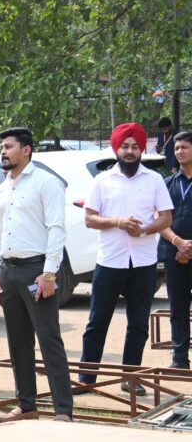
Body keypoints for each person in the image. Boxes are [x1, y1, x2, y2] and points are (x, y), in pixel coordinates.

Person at [78, 123, 172, 396]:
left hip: (143, 261)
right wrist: (118, 222)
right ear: (116, 149)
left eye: (135, 147)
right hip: (110, 260)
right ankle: (86, 377)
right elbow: (89, 218)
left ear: (141, 149)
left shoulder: (154, 180)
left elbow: (166, 217)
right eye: (125, 146)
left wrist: (144, 229)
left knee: (139, 323)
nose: (130, 151)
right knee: (97, 321)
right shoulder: (102, 180)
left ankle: (131, 377)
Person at [0, 127, 73, 423]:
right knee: (18, 341)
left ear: (26, 150)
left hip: (37, 271)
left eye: (8, 147)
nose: (3, 152)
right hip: (8, 272)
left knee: (49, 339)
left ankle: (63, 410)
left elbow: (57, 229)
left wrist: (49, 274)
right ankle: (26, 406)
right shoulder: (4, 187)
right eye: (2, 147)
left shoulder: (46, 182)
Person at [160, 130, 192, 370]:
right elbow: (160, 220)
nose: (179, 151)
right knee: (178, 308)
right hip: (174, 255)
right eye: (177, 148)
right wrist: (178, 243)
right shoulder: (167, 184)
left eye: (184, 147)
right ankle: (179, 359)